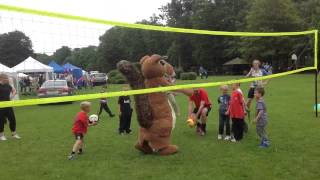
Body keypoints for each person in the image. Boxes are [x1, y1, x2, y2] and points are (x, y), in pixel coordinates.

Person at [0, 74, 21, 141]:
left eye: (7, 78)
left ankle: (14, 134)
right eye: (5, 78)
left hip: (8, 105)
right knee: (1, 121)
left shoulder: (8, 85)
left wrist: (12, 96)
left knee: (12, 119)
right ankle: (1, 135)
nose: (7, 79)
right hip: (1, 106)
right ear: (1, 78)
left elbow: (14, 90)